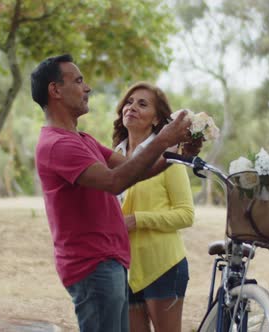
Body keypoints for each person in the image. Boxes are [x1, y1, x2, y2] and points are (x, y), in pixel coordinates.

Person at [30, 54, 199, 332]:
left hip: (111, 263)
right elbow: (115, 181)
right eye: (79, 80)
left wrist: (176, 152)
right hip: (93, 266)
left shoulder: (82, 139)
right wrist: (164, 139)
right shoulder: (57, 145)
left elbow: (137, 171)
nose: (87, 88)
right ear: (55, 90)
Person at [112, 82, 197, 332]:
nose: (132, 107)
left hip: (164, 266)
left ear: (157, 117)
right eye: (129, 102)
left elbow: (186, 214)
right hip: (123, 268)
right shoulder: (112, 155)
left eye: (142, 104)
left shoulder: (168, 157)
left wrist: (137, 220)